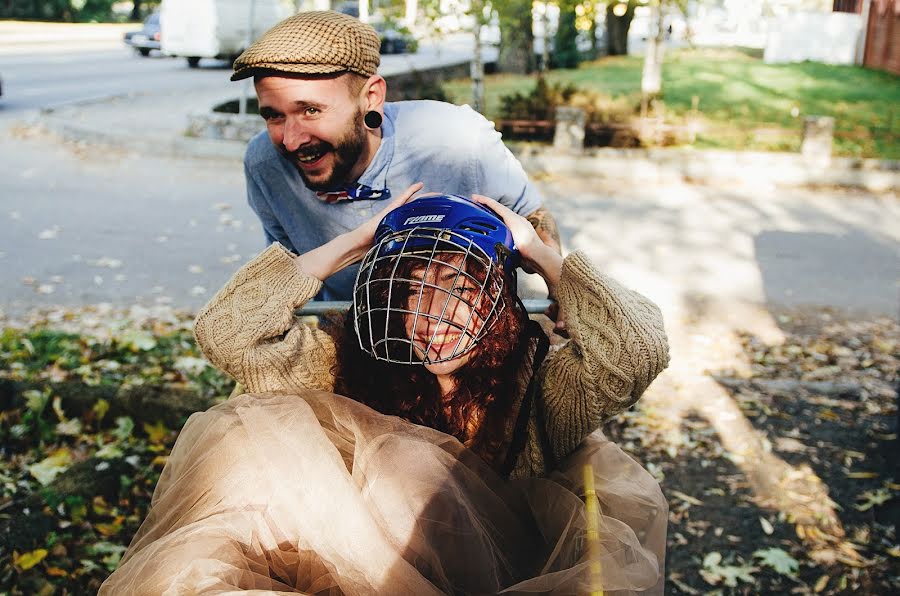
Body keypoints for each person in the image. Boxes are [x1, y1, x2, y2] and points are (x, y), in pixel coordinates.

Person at [100, 187, 669, 594]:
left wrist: (542, 257)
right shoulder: (349, 362)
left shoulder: (540, 382)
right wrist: (358, 241)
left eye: (454, 285)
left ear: (498, 297)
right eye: (413, 288)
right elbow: (227, 331)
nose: (431, 311)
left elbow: (639, 349)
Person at [232, 10, 562, 301]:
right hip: (348, 339)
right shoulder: (264, 164)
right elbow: (285, 274)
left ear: (371, 97)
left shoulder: (458, 141)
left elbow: (533, 220)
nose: (290, 141)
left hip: (473, 343)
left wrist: (557, 296)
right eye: (273, 115)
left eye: (310, 110)